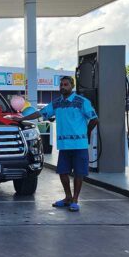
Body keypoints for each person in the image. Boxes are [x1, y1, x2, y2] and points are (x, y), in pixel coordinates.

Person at [21, 76, 98, 212]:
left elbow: (94, 119)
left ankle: (75, 200)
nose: (62, 87)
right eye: (61, 85)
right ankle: (67, 197)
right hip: (64, 146)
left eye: (66, 84)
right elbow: (41, 113)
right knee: (63, 172)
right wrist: (22, 118)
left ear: (72, 86)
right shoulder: (56, 103)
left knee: (79, 174)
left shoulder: (82, 102)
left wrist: (87, 133)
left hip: (79, 145)